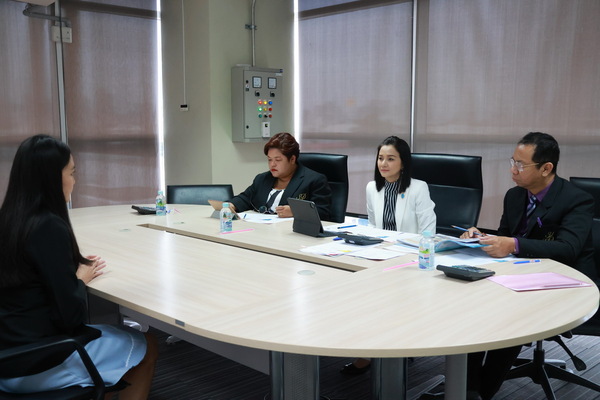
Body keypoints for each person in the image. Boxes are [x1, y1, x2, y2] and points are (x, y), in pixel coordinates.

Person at [0, 135, 158, 398]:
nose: (75, 180)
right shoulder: (47, 226)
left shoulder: (9, 220)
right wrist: (80, 280)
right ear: (52, 178)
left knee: (113, 344)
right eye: (72, 173)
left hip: (8, 355)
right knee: (148, 344)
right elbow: (71, 316)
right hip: (35, 363)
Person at [460, 132, 597, 400]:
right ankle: (467, 387)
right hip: (519, 275)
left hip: (567, 282)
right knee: (474, 303)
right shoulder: (514, 196)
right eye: (513, 162)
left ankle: (483, 391)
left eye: (521, 165)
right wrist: (482, 238)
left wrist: (512, 244)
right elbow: (505, 235)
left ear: (546, 168)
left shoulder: (576, 199)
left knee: (510, 315)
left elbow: (568, 248)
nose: (513, 170)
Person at [341, 135, 436, 375]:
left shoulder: (418, 188)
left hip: (410, 258)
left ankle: (395, 349)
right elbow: (374, 227)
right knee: (359, 295)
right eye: (380, 158)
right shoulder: (372, 187)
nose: (383, 163)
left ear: (403, 163)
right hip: (381, 255)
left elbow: (428, 231)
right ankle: (366, 350)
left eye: (391, 159)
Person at [229, 132, 332, 220]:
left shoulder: (314, 180)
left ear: (292, 159)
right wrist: (231, 205)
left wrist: (295, 211)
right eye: (269, 160)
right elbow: (245, 198)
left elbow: (323, 212)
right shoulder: (262, 178)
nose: (272, 164)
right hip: (262, 230)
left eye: (278, 160)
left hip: (293, 234)